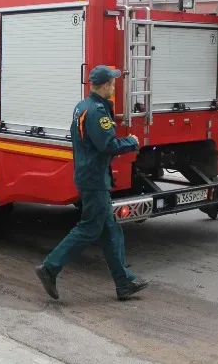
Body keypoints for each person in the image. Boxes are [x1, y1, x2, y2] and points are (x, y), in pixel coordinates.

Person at [35, 65, 150, 301]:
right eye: (113, 83)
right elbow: (107, 145)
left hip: (89, 175)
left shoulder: (82, 106)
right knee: (89, 228)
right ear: (106, 85)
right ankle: (50, 268)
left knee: (110, 231)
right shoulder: (97, 111)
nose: (115, 86)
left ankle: (123, 282)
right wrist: (132, 142)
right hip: (94, 179)